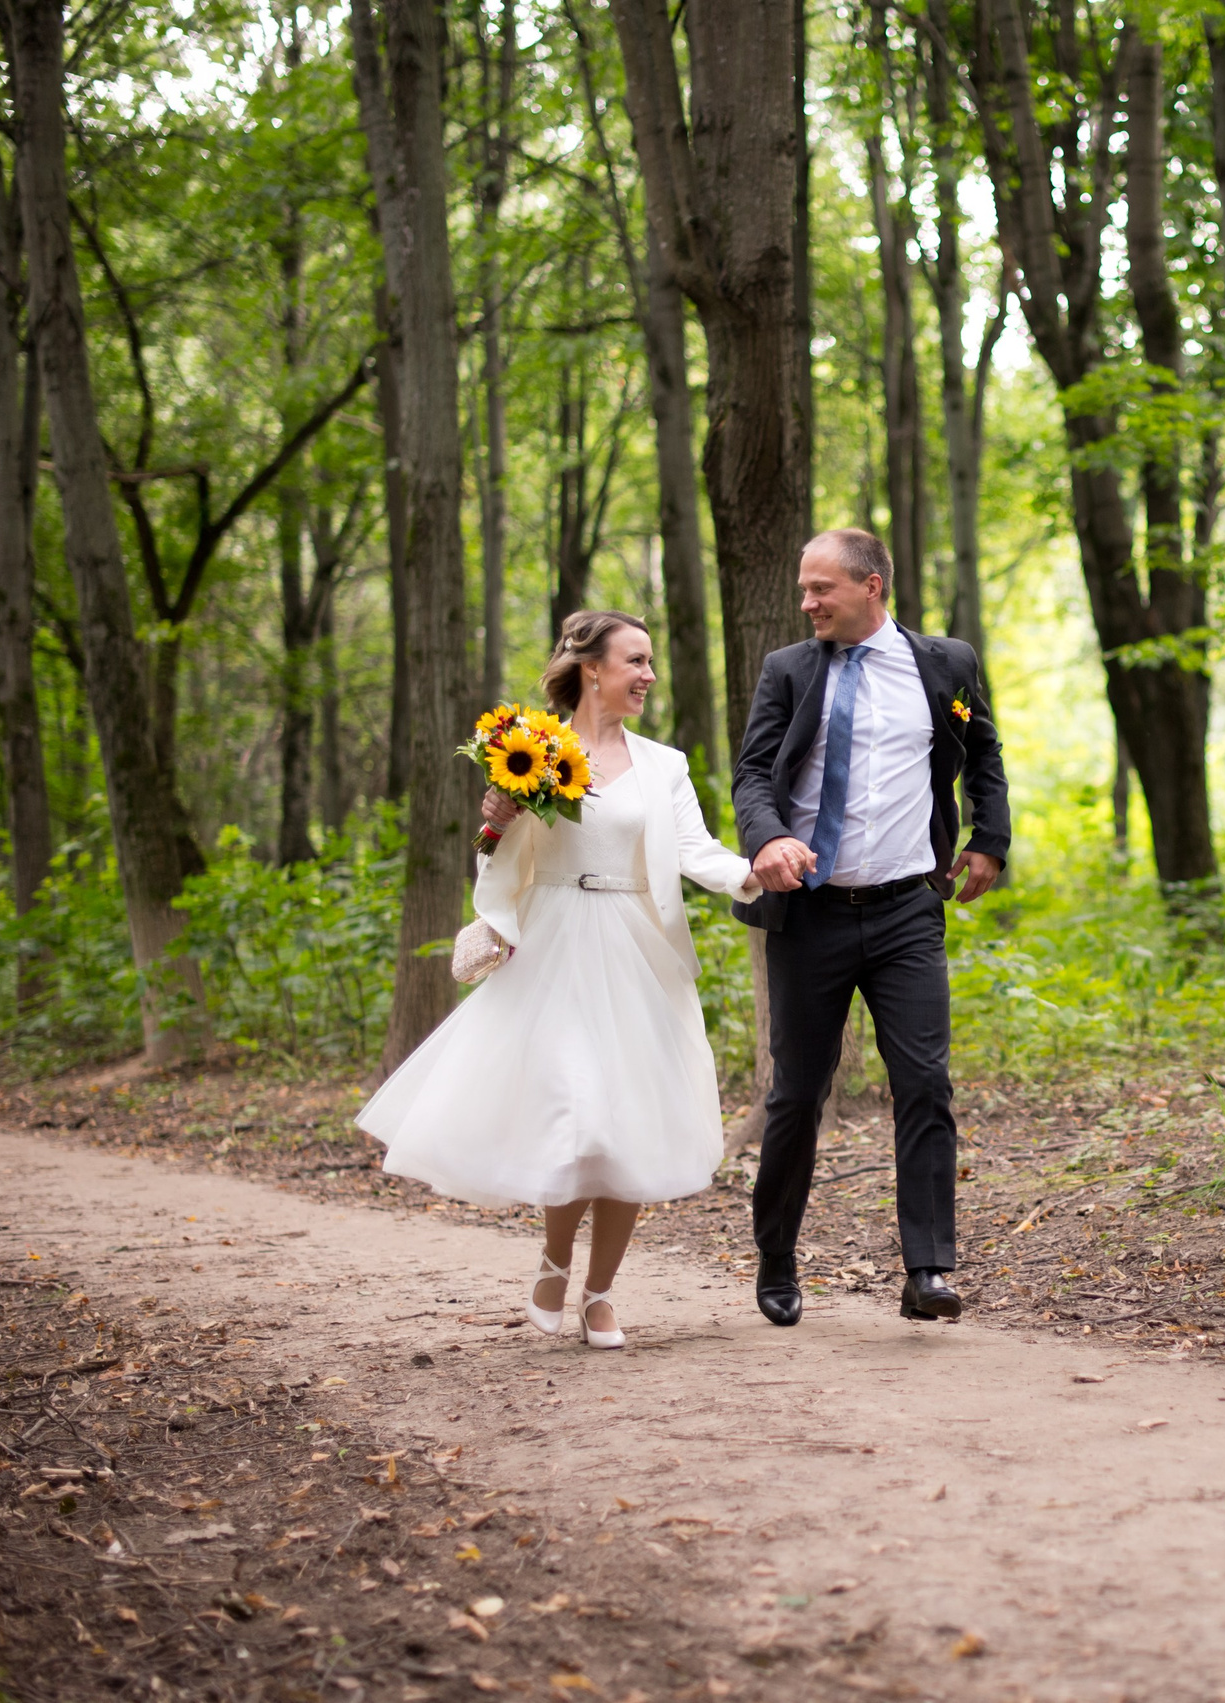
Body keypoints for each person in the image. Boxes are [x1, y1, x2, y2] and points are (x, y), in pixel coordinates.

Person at [358, 611, 759, 1350]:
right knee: (578, 1113)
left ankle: (600, 1293)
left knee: (627, 1120)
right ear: (591, 668)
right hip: (555, 944)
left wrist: (750, 874)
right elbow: (502, 858)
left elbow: (695, 849)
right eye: (635, 661)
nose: (648, 675)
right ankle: (554, 1256)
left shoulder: (662, 764)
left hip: (636, 948)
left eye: (650, 663)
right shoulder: (531, 752)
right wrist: (496, 824)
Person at [734, 528, 1009, 1326]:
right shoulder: (788, 670)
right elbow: (753, 771)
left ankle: (927, 1269)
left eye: (822, 588)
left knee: (924, 1082)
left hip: (906, 913)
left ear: (873, 586)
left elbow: (982, 751)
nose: (807, 602)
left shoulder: (946, 664)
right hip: (809, 914)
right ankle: (777, 1254)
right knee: (797, 1095)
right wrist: (767, 837)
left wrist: (990, 838)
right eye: (803, 590)